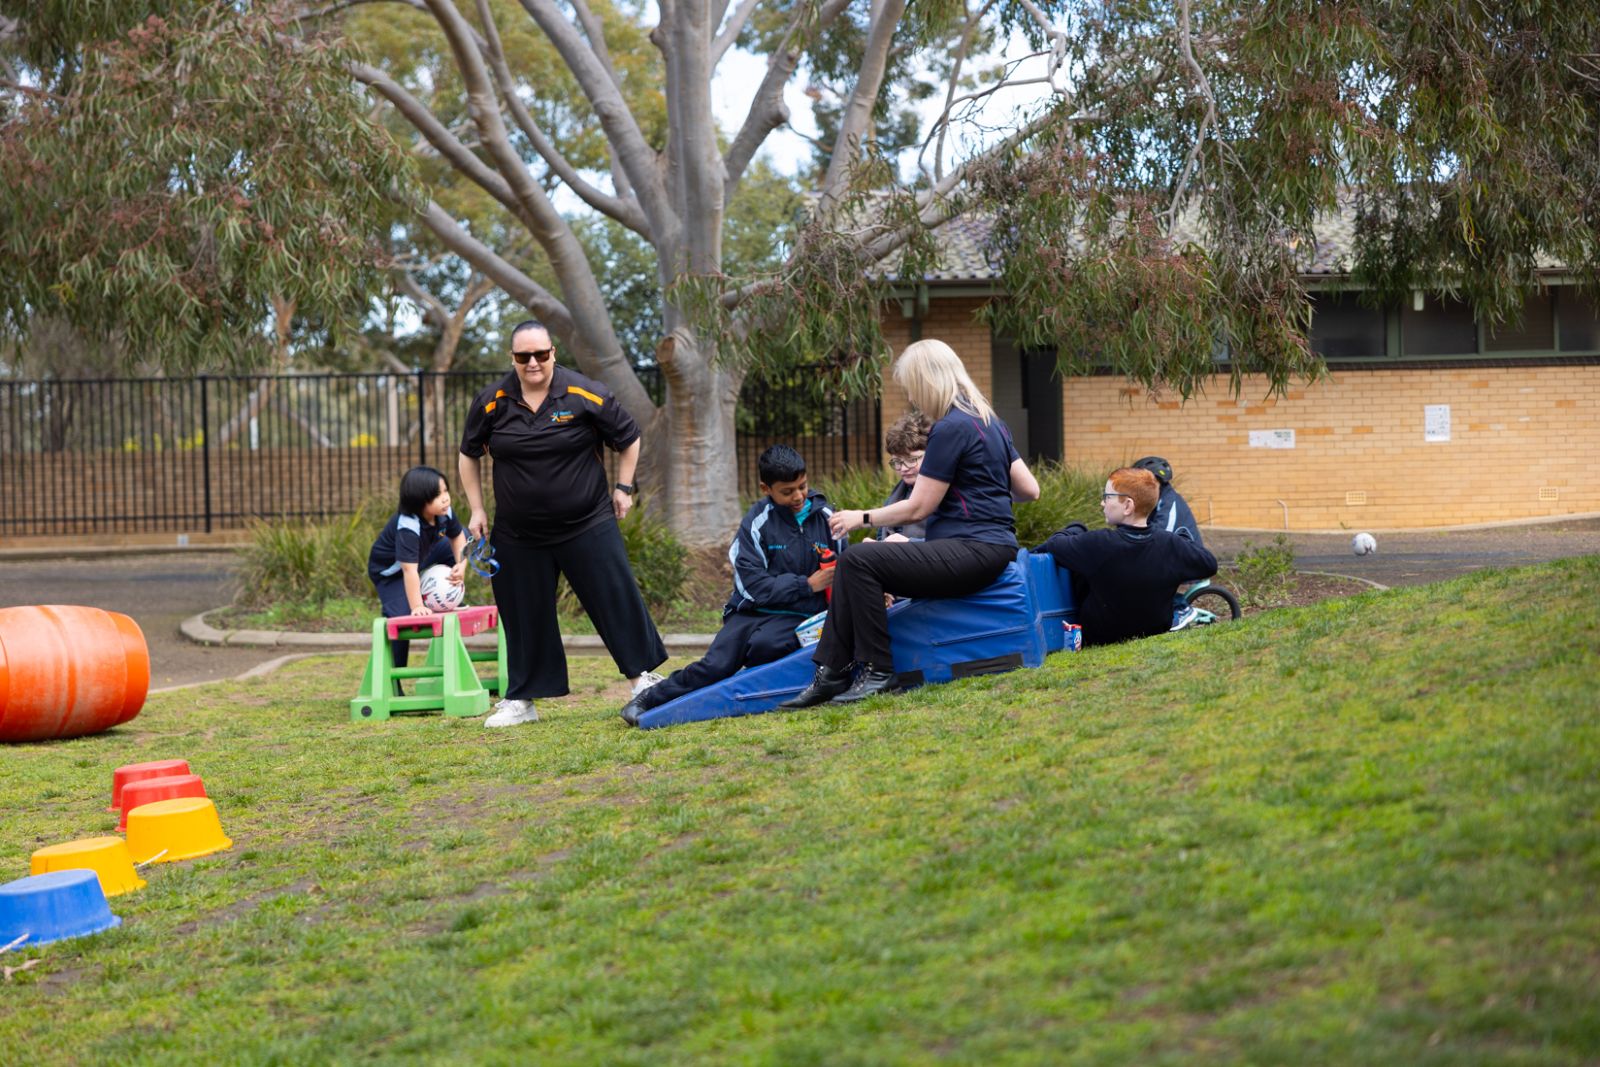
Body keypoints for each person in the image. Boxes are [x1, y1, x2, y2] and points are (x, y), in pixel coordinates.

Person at [782, 339, 1041, 707]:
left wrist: (862, 517)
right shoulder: (991, 423)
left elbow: (918, 508)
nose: (913, 398)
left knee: (858, 559)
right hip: (992, 548)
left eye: (911, 388)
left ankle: (875, 671)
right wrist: (980, 488)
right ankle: (832, 672)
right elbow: (1030, 490)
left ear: (926, 382)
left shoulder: (950, 428)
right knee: (860, 565)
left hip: (972, 550)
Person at [458, 320, 668, 728]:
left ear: (554, 352)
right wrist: (477, 509)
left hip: (587, 521)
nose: (533, 362)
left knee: (615, 597)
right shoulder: (492, 401)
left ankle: (643, 680)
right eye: (523, 356)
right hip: (519, 533)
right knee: (523, 613)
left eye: (540, 353)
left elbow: (629, 437)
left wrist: (623, 488)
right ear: (513, 359)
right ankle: (522, 699)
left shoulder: (584, 393)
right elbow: (469, 453)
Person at [618, 445, 846, 725]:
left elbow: (846, 568)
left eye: (802, 486)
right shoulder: (756, 522)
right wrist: (806, 585)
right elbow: (753, 586)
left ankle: (740, 689)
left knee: (765, 646)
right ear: (766, 489)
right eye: (787, 491)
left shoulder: (827, 518)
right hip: (751, 612)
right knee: (716, 665)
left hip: (799, 617)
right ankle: (648, 699)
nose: (798, 496)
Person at [1037, 466, 1218, 647]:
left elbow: (1054, 544)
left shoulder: (1098, 544)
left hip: (1100, 638)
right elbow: (1209, 565)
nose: (1102, 503)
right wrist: (1182, 540)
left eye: (1107, 497)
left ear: (1128, 506)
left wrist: (1076, 528)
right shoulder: (1169, 544)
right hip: (1155, 632)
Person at [366, 465, 467, 677]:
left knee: (462, 537)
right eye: (437, 495)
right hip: (390, 573)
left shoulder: (444, 512)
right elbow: (408, 571)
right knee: (402, 620)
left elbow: (458, 537)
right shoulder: (408, 526)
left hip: (420, 556)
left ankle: (449, 595)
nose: (445, 499)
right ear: (419, 501)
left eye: (446, 491)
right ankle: (396, 678)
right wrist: (418, 606)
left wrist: (461, 564)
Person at [1131, 455, 1205, 629]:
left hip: (1186, 558)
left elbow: (1162, 532)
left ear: (1156, 481)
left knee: (1150, 577)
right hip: (1172, 553)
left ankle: (1181, 608)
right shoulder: (1157, 500)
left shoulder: (1169, 503)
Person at [874, 412, 930, 542]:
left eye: (911, 460)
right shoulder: (893, 498)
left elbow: (954, 545)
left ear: (932, 455)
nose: (903, 468)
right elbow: (881, 535)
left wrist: (908, 544)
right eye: (897, 462)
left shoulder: (946, 494)